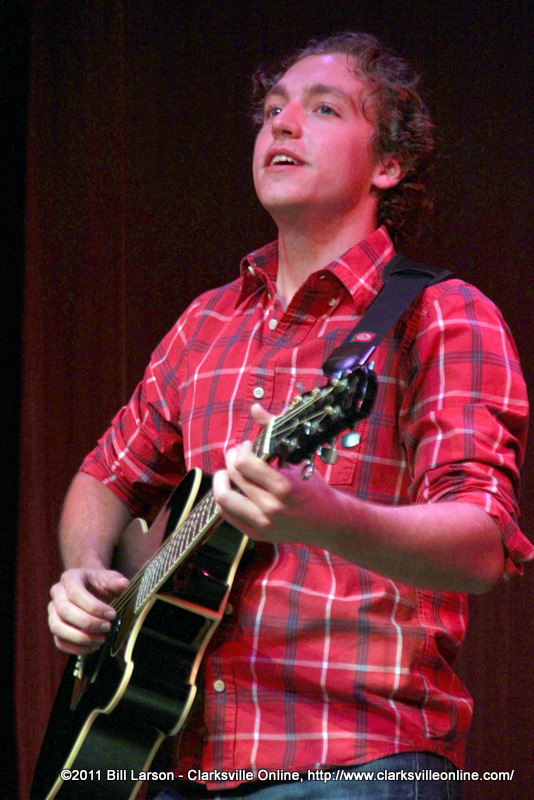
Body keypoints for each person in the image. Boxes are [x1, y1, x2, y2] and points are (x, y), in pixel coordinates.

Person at [47, 32, 533, 800]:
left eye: (324, 108)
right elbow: (103, 478)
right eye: (273, 110)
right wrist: (85, 575)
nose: (283, 122)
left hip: (354, 763)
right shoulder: (206, 321)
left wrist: (329, 519)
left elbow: (480, 547)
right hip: (169, 760)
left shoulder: (442, 315)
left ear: (388, 164)